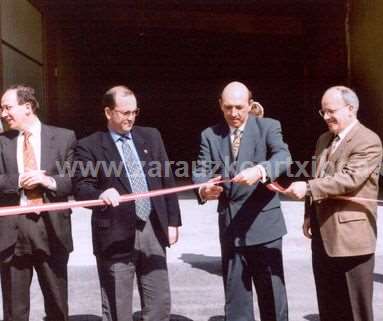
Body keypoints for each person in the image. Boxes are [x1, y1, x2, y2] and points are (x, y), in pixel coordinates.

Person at [73, 85, 181, 321]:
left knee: (159, 301)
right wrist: (100, 194)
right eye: (124, 112)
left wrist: (173, 221)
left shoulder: (151, 136)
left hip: (152, 226)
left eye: (134, 112)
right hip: (114, 232)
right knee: (117, 302)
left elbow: (167, 180)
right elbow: (81, 187)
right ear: (108, 112)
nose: (130, 117)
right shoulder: (89, 145)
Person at [192, 81, 291, 321]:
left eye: (239, 107)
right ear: (220, 106)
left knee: (271, 294)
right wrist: (204, 189)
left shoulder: (268, 127)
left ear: (250, 104)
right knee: (235, 296)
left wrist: (260, 170)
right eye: (228, 108)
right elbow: (201, 169)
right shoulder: (210, 135)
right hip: (231, 226)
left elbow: (283, 156)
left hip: (264, 226)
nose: (234, 114)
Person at [284, 85, 383, 321]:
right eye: (323, 112)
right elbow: (319, 175)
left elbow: (349, 178)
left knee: (355, 309)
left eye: (331, 111)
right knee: (329, 304)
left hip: (351, 238)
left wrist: (307, 188)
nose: (326, 117)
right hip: (322, 233)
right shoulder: (324, 139)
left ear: (350, 109)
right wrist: (309, 216)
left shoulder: (368, 140)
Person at [0, 84, 76, 321]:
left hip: (51, 228)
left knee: (57, 306)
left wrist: (48, 181)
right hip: (13, 230)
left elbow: (74, 179)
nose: (3, 114)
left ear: (28, 107)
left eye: (7, 107)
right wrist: (19, 180)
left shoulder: (64, 137)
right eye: (1, 109)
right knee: (14, 310)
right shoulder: (2, 142)